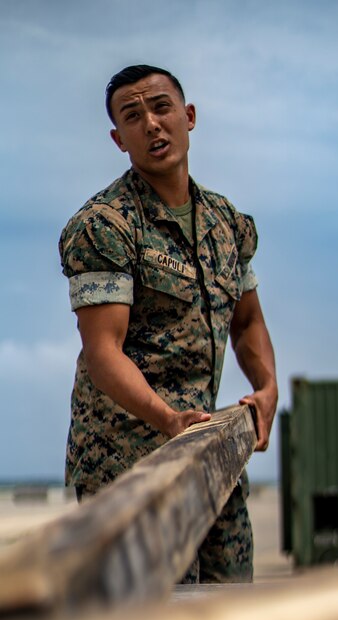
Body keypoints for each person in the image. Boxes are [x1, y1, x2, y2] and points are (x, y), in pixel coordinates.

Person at [59, 64, 277, 583]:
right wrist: (167, 418)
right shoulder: (104, 226)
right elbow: (103, 350)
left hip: (207, 452)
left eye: (161, 107)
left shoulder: (228, 226)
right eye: (133, 116)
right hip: (127, 470)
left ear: (189, 116)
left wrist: (267, 388)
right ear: (118, 139)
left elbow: (247, 323)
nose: (152, 124)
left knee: (233, 607)